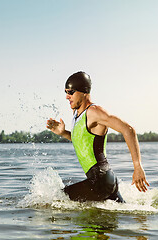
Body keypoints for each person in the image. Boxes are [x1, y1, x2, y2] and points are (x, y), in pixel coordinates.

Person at [46, 71, 149, 202]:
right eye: (66, 92)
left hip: (100, 182)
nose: (67, 97)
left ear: (84, 92)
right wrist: (63, 133)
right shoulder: (77, 114)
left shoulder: (94, 112)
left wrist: (137, 166)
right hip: (104, 181)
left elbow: (128, 130)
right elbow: (84, 142)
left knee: (54, 202)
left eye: (71, 92)